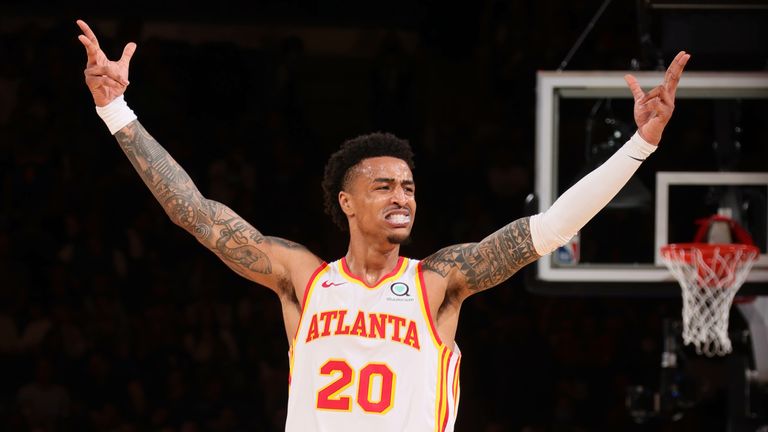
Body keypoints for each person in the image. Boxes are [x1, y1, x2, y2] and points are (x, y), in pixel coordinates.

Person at [76, 18, 690, 432]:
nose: (402, 197)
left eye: (409, 187)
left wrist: (639, 145)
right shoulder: (303, 278)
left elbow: (551, 227)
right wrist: (116, 110)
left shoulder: (439, 281)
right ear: (346, 202)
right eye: (384, 186)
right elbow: (196, 213)